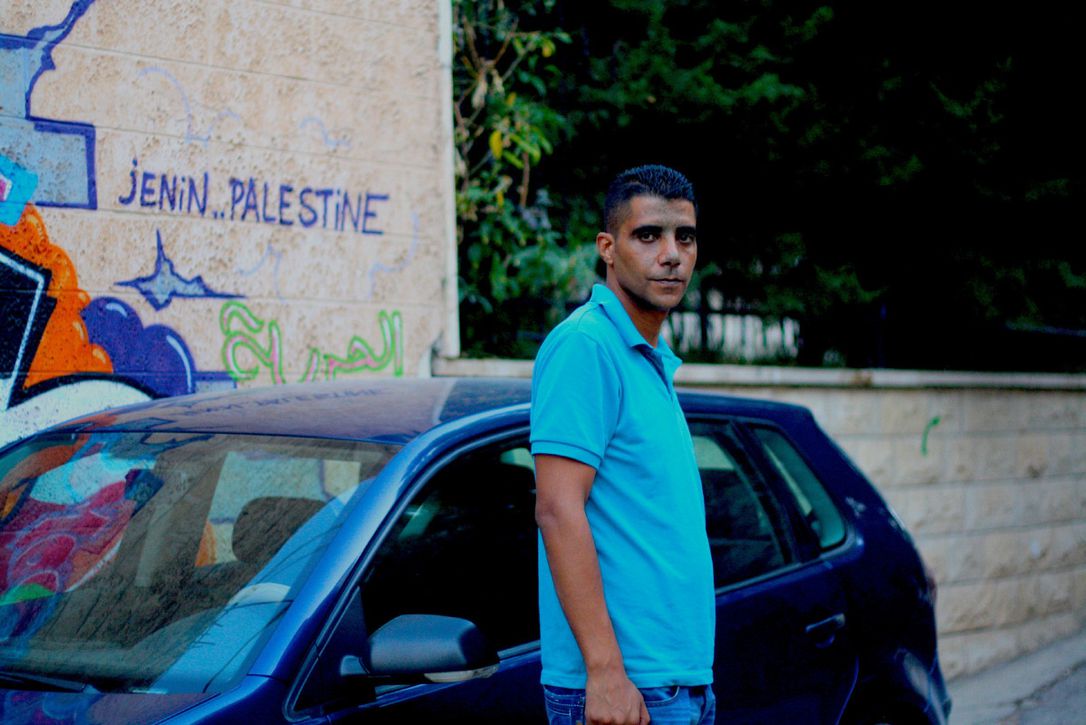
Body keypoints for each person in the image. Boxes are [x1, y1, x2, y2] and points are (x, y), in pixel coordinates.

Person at [531, 164, 716, 725]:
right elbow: (557, 508)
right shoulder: (586, 346)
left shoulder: (646, 356)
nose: (672, 255)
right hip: (626, 689)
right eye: (648, 235)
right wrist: (605, 671)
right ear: (607, 249)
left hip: (677, 681)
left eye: (685, 237)